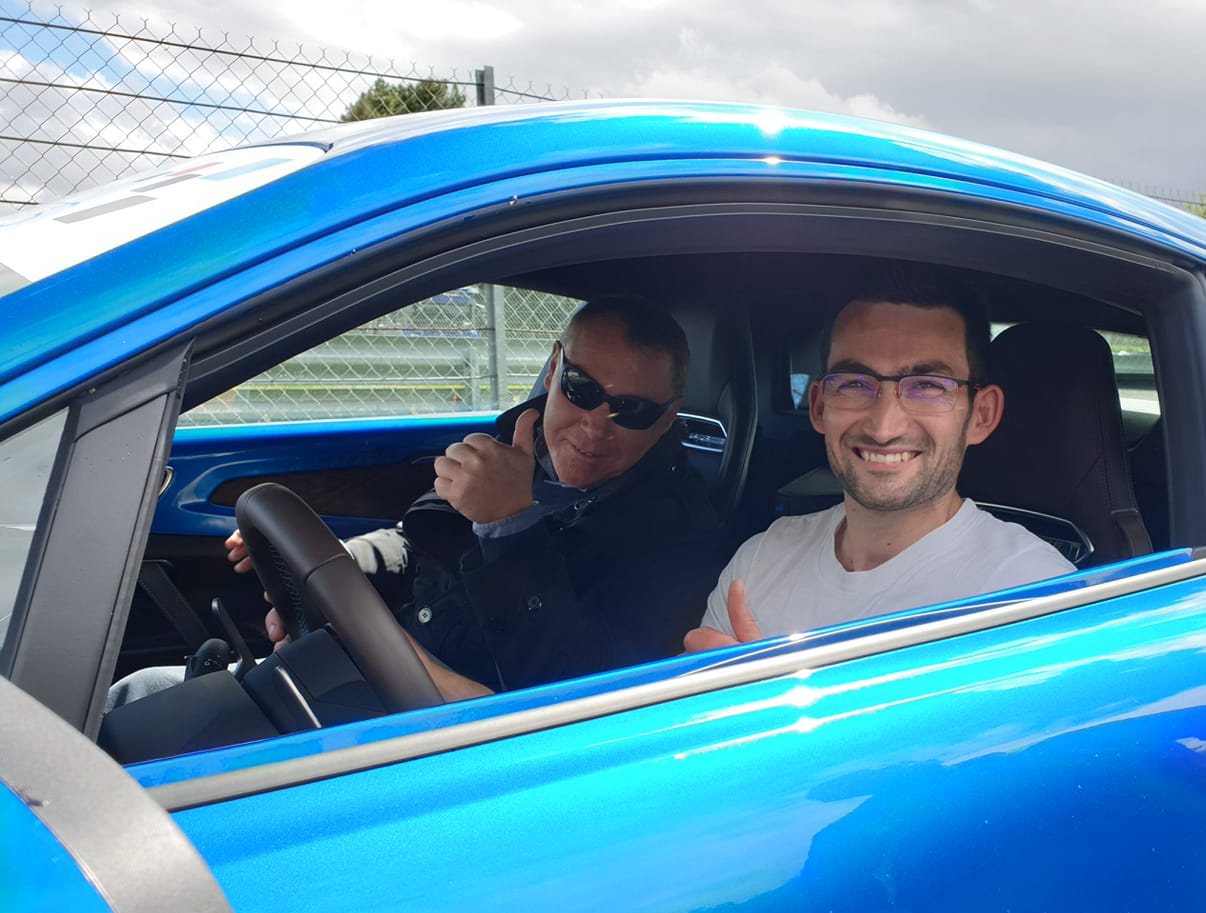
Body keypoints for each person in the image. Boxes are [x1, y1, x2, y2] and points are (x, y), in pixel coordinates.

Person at [111, 295, 728, 709]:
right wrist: (338, 566)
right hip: (373, 672)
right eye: (582, 388)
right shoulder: (514, 442)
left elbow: (574, 699)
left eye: (633, 410)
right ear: (553, 366)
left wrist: (511, 528)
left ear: (669, 417)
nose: (596, 427)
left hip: (444, 740)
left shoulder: (682, 542)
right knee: (138, 695)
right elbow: (418, 539)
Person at [685, 275, 1073, 651]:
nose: (883, 428)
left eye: (928, 386)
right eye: (854, 383)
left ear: (981, 416)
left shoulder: (1032, 597)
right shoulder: (759, 561)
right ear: (819, 407)